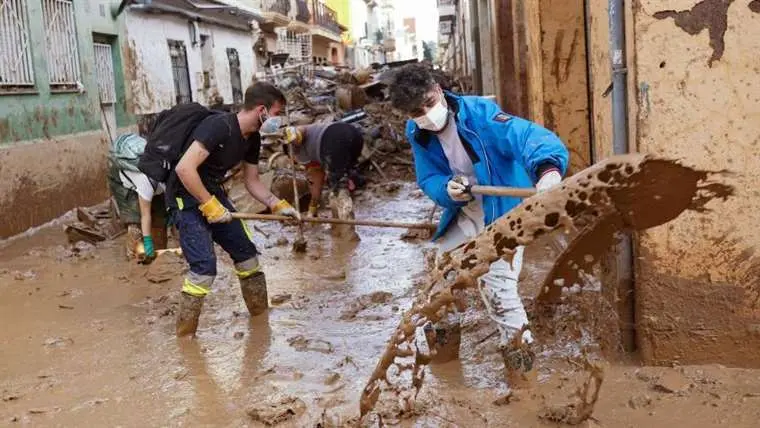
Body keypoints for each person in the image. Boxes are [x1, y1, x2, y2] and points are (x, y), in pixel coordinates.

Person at [389, 63, 569, 387]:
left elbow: (524, 135)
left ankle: (523, 381)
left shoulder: (481, 114)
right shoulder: (417, 132)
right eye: (417, 111)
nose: (427, 115)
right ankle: (446, 365)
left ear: (439, 92)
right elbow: (427, 176)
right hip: (465, 210)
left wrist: (547, 170)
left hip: (503, 211)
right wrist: (446, 189)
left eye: (430, 104)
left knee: (498, 291)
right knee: (441, 284)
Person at [171, 82, 299, 337]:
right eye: (276, 114)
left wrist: (277, 204)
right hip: (184, 196)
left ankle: (261, 326)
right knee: (204, 268)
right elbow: (184, 169)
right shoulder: (218, 127)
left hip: (213, 194)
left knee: (247, 255)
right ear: (261, 110)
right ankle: (185, 337)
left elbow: (251, 181)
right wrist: (208, 205)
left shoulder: (252, 139)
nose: (278, 121)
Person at [261, 119, 364, 217]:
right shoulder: (309, 149)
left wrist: (296, 134)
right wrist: (313, 206)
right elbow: (318, 178)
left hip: (332, 140)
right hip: (353, 133)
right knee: (343, 172)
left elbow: (301, 131)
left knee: (337, 188)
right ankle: (356, 185)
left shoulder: (295, 147)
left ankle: (345, 230)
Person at [107, 132, 167, 263]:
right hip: (122, 183)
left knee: (161, 219)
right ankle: (133, 259)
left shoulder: (167, 175)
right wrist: (147, 240)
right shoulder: (146, 182)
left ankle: (159, 259)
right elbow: (146, 215)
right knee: (136, 222)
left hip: (150, 182)